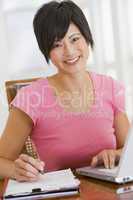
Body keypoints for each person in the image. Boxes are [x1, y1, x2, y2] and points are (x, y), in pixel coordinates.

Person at [0, 0, 130, 182]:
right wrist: (15, 170)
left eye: (75, 39)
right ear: (46, 51)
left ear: (86, 37)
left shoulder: (110, 88)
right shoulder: (31, 98)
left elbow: (128, 150)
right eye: (57, 45)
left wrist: (115, 154)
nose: (69, 51)